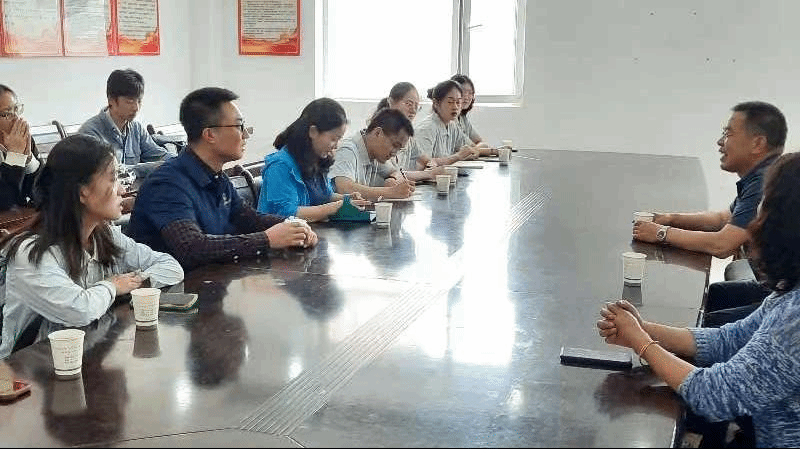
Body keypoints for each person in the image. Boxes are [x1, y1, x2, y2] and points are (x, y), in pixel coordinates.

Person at [597, 152, 800, 448]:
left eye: (765, 204)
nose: (756, 215)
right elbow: (730, 339)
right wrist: (643, 328)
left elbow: (715, 394)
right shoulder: (789, 293)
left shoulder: (795, 319)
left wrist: (642, 343)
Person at [0, 134, 184, 359]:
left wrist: (134, 283)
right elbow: (79, 310)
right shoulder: (30, 253)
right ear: (82, 192)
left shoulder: (105, 236)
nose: (122, 190)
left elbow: (171, 267)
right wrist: (113, 286)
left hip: (87, 357)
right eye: (113, 179)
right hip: (28, 371)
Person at [128, 87, 318, 270]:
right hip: (168, 290)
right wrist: (267, 239)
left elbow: (248, 218)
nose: (245, 134)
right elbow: (191, 248)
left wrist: (293, 225)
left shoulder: (217, 176)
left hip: (208, 283)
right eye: (239, 126)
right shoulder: (167, 184)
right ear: (210, 134)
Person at [257, 97, 368, 222]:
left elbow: (324, 196)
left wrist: (346, 199)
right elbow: (286, 213)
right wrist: (334, 207)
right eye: (333, 139)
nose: (336, 146)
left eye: (339, 139)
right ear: (313, 131)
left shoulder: (315, 159)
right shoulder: (280, 165)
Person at [78, 69, 176, 179]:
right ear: (111, 100)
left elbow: (158, 154)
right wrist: (156, 167)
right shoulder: (89, 133)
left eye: (139, 101)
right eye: (130, 101)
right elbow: (112, 172)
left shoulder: (136, 128)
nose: (136, 108)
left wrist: (180, 161)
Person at [328, 108, 415, 201]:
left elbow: (395, 172)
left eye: (399, 149)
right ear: (378, 133)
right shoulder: (347, 150)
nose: (394, 153)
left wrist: (392, 179)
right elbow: (343, 187)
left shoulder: (376, 153)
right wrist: (391, 192)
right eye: (395, 145)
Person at [376, 82, 446, 182]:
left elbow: (427, 160)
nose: (413, 111)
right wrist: (429, 174)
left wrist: (431, 166)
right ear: (391, 102)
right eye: (408, 104)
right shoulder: (380, 133)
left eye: (416, 106)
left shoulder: (408, 137)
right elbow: (394, 174)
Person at [415, 80, 481, 168]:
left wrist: (471, 152)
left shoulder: (452, 126)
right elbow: (425, 165)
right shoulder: (426, 129)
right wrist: (457, 156)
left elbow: (471, 147)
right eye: (450, 102)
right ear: (436, 103)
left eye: (458, 102)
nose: (455, 107)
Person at [0, 84, 42, 212]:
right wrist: (15, 157)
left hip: (22, 218)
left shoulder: (23, 139)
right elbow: (5, 202)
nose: (16, 118)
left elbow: (45, 192)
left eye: (16, 109)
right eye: (7, 113)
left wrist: (29, 160)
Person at [450, 73, 496, 156]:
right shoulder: (449, 119)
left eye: (470, 93)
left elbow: (480, 142)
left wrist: (475, 150)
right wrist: (494, 151)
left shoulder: (462, 118)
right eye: (463, 92)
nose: (467, 97)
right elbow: (464, 151)